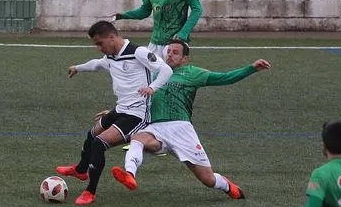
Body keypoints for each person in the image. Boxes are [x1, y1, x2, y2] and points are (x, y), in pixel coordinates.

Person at [110, 40, 270, 198]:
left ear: (185, 59)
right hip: (156, 128)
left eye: (175, 52)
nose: (170, 55)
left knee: (208, 180)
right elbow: (136, 98)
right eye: (169, 51)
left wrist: (251, 68)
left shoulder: (193, 73)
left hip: (181, 130)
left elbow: (225, 78)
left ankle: (227, 185)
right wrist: (116, 112)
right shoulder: (155, 74)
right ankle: (130, 174)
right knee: (137, 138)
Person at [55, 20, 173, 206]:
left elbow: (166, 70)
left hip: (137, 116)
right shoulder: (111, 57)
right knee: (92, 134)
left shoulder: (138, 52)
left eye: (99, 43)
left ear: (111, 37)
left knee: (99, 143)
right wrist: (78, 68)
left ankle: (90, 192)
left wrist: (152, 87)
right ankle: (80, 170)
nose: (98, 48)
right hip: (119, 109)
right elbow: (96, 64)